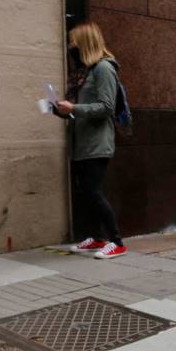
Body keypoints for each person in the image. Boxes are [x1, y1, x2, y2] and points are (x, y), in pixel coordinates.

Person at [55, 22, 125, 259]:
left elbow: (107, 107)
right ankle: (96, 238)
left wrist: (73, 107)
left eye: (73, 41)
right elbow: (80, 108)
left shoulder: (104, 68)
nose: (70, 46)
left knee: (94, 191)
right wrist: (62, 109)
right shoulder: (83, 72)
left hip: (97, 143)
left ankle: (116, 241)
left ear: (85, 42)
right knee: (86, 192)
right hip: (81, 142)